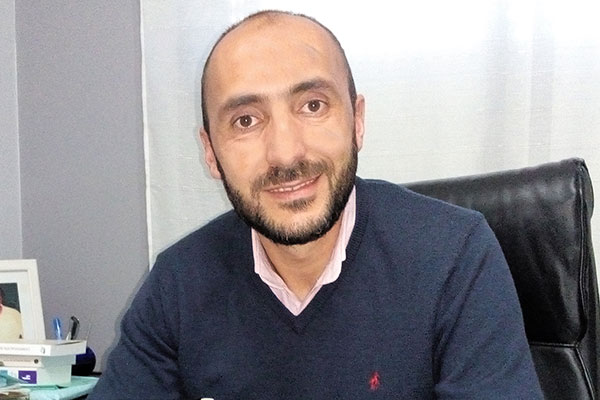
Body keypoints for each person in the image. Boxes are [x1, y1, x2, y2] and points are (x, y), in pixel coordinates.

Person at [90, 10, 544, 399]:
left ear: (357, 121)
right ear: (210, 152)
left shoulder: (455, 255)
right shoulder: (177, 283)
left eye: (312, 106)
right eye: (246, 120)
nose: (286, 154)